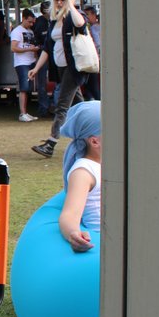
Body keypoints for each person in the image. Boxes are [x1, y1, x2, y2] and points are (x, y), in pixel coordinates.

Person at [28, 0, 89, 157]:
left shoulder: (74, 15)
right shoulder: (54, 20)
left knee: (62, 105)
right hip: (61, 68)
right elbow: (47, 47)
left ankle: (51, 143)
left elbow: (81, 23)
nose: (60, 2)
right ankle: (93, 132)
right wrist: (36, 68)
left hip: (74, 67)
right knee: (80, 104)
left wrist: (71, 5)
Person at [58, 100, 101, 252]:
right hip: (103, 239)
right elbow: (69, 214)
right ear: (95, 141)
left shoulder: (113, 165)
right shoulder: (83, 171)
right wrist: (73, 233)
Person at [10, 8, 41, 122]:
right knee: (24, 87)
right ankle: (22, 113)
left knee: (28, 88)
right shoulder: (17, 31)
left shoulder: (30, 31)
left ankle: (26, 112)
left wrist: (35, 54)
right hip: (22, 63)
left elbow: (31, 47)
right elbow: (13, 48)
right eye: (29, 21)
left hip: (31, 61)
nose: (31, 24)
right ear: (23, 19)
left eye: (33, 22)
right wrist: (29, 49)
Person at [31, 0, 52, 118]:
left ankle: (53, 106)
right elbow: (35, 41)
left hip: (54, 55)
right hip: (42, 56)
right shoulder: (39, 23)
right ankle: (43, 108)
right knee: (42, 83)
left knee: (58, 81)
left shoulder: (54, 20)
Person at [82, 5, 101, 99]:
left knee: (92, 83)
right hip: (95, 56)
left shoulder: (94, 28)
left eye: (87, 14)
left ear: (94, 14)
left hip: (95, 56)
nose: (86, 17)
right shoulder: (93, 27)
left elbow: (97, 43)